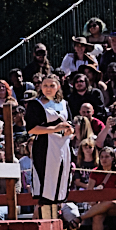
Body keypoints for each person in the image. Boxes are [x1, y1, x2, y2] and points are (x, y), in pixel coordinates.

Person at [26, 74, 75, 207]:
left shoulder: (64, 103)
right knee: (46, 183)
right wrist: (54, 128)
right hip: (45, 145)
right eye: (45, 85)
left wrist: (69, 130)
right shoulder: (35, 104)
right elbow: (31, 129)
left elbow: (70, 122)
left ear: (58, 87)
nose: (48, 88)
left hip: (62, 144)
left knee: (61, 178)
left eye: (52, 85)